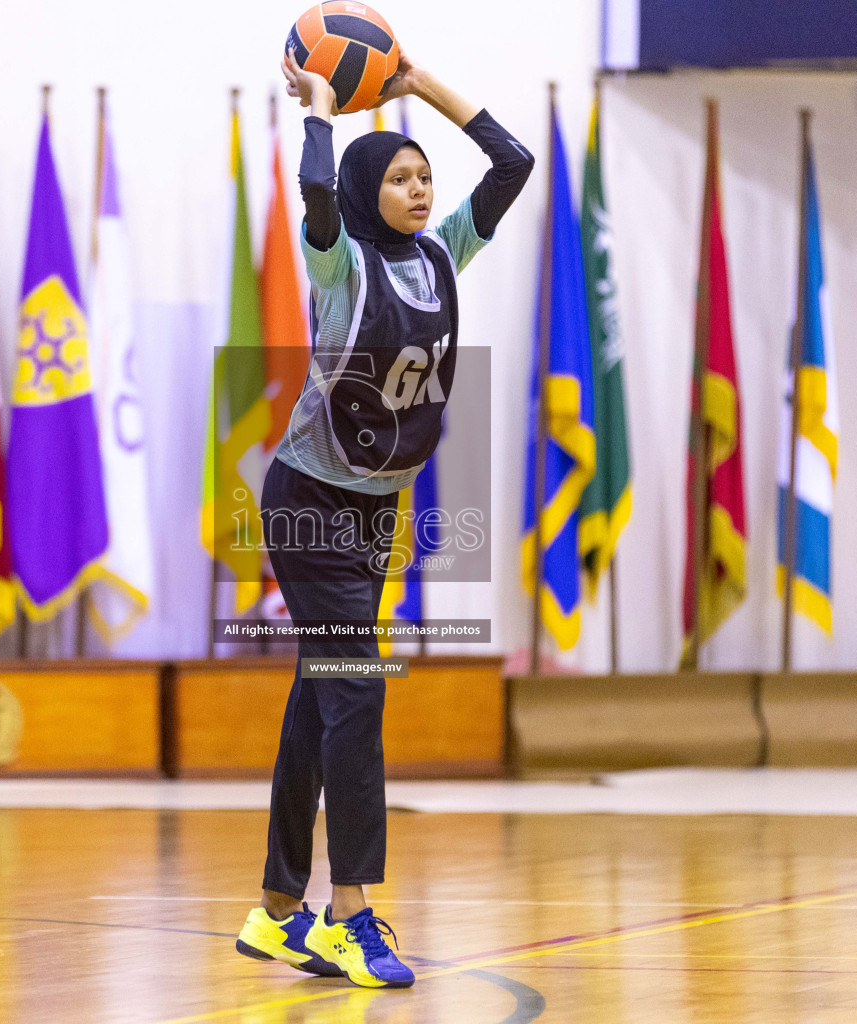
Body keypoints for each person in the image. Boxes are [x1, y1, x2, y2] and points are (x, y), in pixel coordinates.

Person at [231, 51, 533, 989]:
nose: (417, 186)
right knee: (357, 693)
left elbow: (513, 163)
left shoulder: (443, 251)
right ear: (370, 190)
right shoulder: (338, 260)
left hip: (373, 510)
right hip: (309, 501)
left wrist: (422, 88)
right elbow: (317, 185)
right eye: (399, 175)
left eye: (423, 175)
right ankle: (350, 913)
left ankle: (278, 910)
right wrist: (323, 104)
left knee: (320, 696)